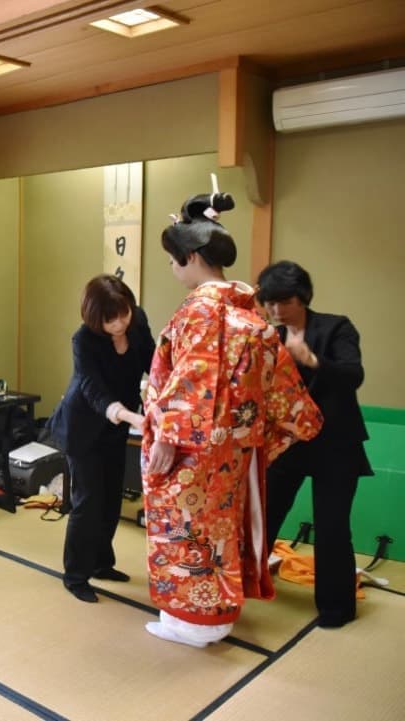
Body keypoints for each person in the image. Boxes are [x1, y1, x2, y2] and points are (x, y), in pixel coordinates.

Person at [141, 189, 322, 648]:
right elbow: (281, 390)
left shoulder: (203, 312)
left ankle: (190, 622)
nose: (172, 267)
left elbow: (191, 378)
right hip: (231, 455)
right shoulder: (252, 319)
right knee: (221, 532)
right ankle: (217, 616)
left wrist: (165, 435)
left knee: (186, 534)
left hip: (190, 453)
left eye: (174, 259)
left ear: (193, 256)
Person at [256, 260, 371, 628]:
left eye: (283, 301)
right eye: (269, 303)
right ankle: (246, 583)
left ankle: (337, 608)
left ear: (303, 297)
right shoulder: (269, 336)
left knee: (332, 525)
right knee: (265, 511)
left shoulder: (336, 327)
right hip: (288, 442)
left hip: (336, 443)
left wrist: (313, 360)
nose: (275, 310)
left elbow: (354, 374)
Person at [48, 275, 155, 603]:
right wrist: (131, 415)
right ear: (95, 318)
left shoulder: (137, 322)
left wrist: (161, 395)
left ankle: (101, 563)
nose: (121, 322)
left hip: (115, 428)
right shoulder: (84, 340)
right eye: (111, 319)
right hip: (83, 428)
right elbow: (91, 388)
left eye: (124, 313)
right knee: (88, 501)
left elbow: (155, 362)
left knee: (111, 498)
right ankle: (75, 574)